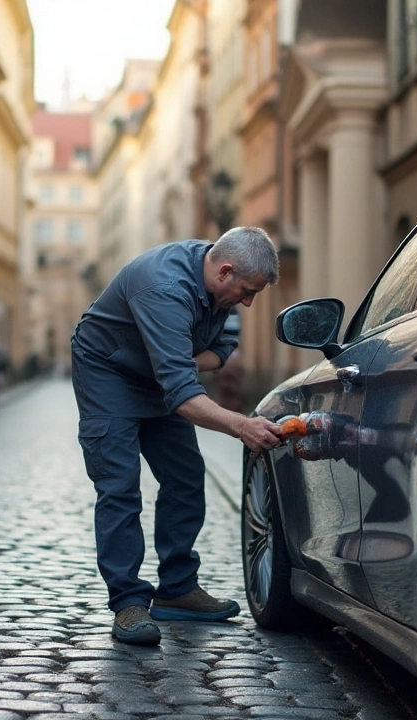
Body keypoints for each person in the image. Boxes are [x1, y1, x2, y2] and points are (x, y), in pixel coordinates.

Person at [71, 226, 282, 645]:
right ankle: (129, 603)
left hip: (161, 376)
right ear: (224, 271)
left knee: (185, 475)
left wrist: (171, 359)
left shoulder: (225, 288)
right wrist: (241, 425)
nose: (248, 302)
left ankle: (178, 589)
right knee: (119, 485)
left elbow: (222, 350)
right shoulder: (164, 287)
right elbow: (184, 395)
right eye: (245, 291)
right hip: (107, 371)